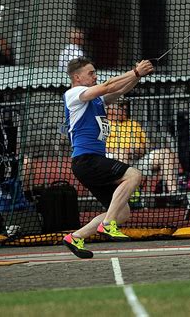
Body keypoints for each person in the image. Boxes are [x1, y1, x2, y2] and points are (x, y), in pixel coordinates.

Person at [62, 57, 154, 259]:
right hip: (86, 160)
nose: (95, 76)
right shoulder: (74, 94)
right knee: (133, 175)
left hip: (91, 161)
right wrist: (136, 72)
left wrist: (137, 75)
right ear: (77, 77)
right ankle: (107, 224)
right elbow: (107, 86)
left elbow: (119, 90)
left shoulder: (94, 100)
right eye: (91, 73)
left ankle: (76, 237)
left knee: (123, 213)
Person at [106, 101, 179, 195]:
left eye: (125, 105)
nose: (125, 108)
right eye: (120, 105)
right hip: (115, 160)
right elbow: (101, 147)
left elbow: (148, 145)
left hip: (137, 159)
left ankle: (174, 193)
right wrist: (124, 151)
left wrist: (138, 150)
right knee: (122, 153)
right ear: (110, 108)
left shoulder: (133, 123)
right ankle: (124, 194)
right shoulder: (105, 124)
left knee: (165, 154)